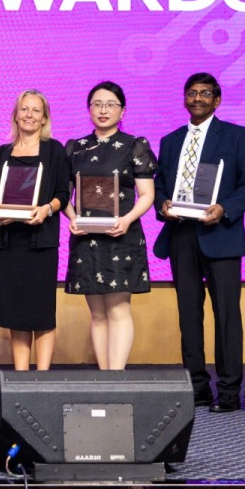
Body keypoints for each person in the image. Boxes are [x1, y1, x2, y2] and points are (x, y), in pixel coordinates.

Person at [154, 73, 245, 413]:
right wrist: (162, 204)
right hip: (181, 236)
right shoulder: (170, 141)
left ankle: (228, 391)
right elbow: (158, 187)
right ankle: (197, 388)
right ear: (184, 99)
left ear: (217, 100)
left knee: (227, 315)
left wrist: (224, 209)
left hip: (221, 235)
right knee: (189, 315)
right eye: (191, 93)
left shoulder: (236, 136)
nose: (197, 98)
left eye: (205, 93)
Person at [63, 82, 157, 371]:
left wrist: (127, 219)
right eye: (97, 104)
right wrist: (72, 218)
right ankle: (104, 376)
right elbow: (63, 195)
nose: (103, 110)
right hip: (86, 238)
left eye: (111, 104)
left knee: (118, 309)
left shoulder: (134, 145)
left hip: (122, 236)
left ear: (122, 110)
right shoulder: (74, 147)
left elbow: (147, 195)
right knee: (97, 313)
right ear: (89, 109)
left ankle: (116, 375)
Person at [0, 89, 69, 373]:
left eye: (36, 110)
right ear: (15, 115)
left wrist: (47, 208)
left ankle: (42, 377)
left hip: (41, 243)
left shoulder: (55, 150)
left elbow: (63, 193)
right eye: (25, 109)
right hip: (10, 245)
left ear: (44, 117)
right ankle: (21, 377)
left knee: (42, 314)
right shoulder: (1, 154)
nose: (30, 115)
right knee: (17, 315)